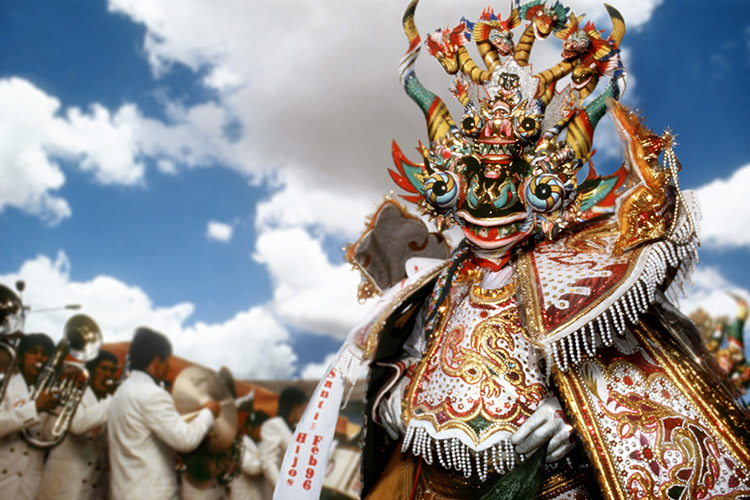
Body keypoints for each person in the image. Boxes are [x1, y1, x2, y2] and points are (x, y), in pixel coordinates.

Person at [275, 1, 750, 498]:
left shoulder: (576, 271)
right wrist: (392, 398)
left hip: (547, 483)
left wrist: (572, 422)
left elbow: (616, 381)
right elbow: (404, 356)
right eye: (476, 173)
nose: (492, 189)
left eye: (513, 175)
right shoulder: (439, 285)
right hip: (433, 476)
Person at [108, 327, 220, 500]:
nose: (167, 368)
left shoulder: (120, 392)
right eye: (167, 361)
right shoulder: (153, 394)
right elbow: (185, 440)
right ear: (157, 361)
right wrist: (208, 412)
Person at [37, 349, 119, 500]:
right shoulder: (74, 392)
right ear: (92, 372)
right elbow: (77, 425)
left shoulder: (107, 404)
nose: (109, 375)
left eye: (113, 371)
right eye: (104, 369)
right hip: (60, 489)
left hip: (89, 491)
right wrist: (115, 400)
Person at [0, 333, 57, 500]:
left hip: (30, 483)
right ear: (20, 358)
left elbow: (50, 438)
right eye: (34, 352)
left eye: (45, 354)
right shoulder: (5, 385)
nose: (40, 358)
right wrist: (35, 407)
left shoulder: (47, 392)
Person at [260, 387, 307, 490]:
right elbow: (268, 462)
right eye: (304, 408)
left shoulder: (296, 429)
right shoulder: (274, 425)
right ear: (296, 407)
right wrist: (282, 491)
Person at [230, 411, 271, 500]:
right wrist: (268, 460)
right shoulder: (241, 443)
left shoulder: (261, 444)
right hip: (244, 495)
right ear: (250, 428)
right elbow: (251, 468)